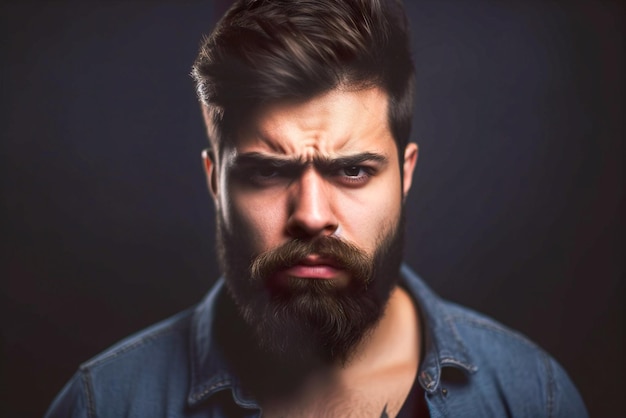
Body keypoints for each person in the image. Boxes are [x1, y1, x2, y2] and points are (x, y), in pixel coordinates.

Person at [45, 0, 588, 417]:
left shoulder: (532, 397)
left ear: (407, 175)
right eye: (266, 171)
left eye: (352, 170)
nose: (309, 214)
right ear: (216, 182)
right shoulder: (106, 403)